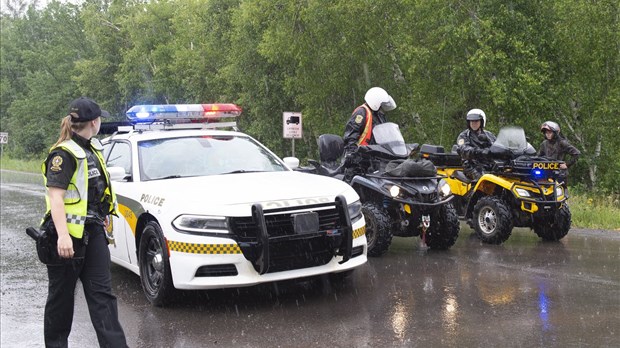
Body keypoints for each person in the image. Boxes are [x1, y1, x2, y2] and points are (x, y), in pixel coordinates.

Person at [41, 97, 128, 348]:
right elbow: (55, 197)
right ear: (94, 122)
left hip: (93, 233)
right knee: (61, 301)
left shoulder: (92, 149)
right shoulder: (63, 154)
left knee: (103, 299)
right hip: (67, 238)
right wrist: (64, 236)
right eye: (100, 119)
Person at [343, 87, 397, 154]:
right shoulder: (361, 112)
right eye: (381, 104)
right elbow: (351, 136)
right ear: (376, 101)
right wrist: (353, 154)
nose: (382, 107)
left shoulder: (379, 115)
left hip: (377, 154)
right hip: (362, 155)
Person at [456, 108, 497, 180]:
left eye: (476, 121)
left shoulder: (489, 135)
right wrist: (478, 151)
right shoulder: (464, 135)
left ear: (482, 122)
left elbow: (498, 146)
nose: (473, 123)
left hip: (489, 165)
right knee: (485, 181)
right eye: (471, 121)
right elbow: (463, 149)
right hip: (471, 166)